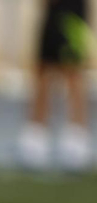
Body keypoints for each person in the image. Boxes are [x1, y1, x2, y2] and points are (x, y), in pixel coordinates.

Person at [18, 0, 92, 170]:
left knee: (73, 72)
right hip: (52, 11)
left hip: (73, 11)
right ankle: (36, 136)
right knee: (43, 69)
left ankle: (77, 138)